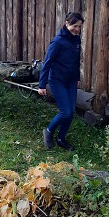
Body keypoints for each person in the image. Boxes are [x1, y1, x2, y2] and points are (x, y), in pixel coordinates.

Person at [38, 12, 84, 151]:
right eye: (74, 26)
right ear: (66, 23)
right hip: (57, 81)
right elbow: (47, 63)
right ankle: (48, 131)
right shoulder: (57, 41)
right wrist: (42, 84)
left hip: (70, 82)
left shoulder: (76, 40)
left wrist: (76, 78)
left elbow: (75, 62)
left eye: (79, 26)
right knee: (66, 112)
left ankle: (61, 139)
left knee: (71, 112)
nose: (77, 29)